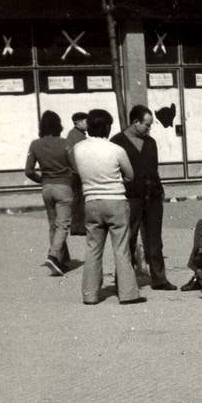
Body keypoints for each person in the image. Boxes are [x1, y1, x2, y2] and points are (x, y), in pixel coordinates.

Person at [74, 108, 141, 305]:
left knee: (93, 248)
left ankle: (90, 294)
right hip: (115, 201)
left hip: (91, 202)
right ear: (108, 127)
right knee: (121, 248)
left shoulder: (78, 149)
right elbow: (130, 175)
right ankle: (128, 293)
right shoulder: (116, 150)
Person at [112, 104, 175, 289]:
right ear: (135, 122)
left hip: (153, 196)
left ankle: (159, 279)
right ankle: (123, 280)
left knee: (155, 239)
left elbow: (153, 169)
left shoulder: (150, 142)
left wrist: (159, 191)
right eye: (146, 125)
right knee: (128, 239)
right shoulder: (117, 142)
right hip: (131, 198)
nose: (149, 128)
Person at [24, 110, 75, 275]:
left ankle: (62, 261)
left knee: (53, 225)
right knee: (63, 225)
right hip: (64, 187)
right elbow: (75, 167)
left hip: (46, 188)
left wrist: (42, 181)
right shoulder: (66, 143)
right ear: (58, 125)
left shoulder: (35, 144)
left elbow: (28, 171)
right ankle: (53, 256)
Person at [66, 111, 89, 236]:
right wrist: (80, 171)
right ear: (78, 122)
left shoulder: (74, 134)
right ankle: (79, 226)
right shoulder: (77, 136)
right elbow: (74, 156)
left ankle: (78, 226)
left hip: (76, 172)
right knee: (79, 200)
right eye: (86, 121)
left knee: (78, 200)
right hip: (78, 173)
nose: (88, 124)